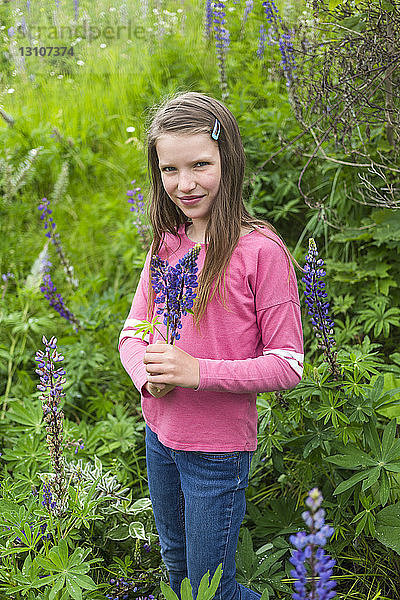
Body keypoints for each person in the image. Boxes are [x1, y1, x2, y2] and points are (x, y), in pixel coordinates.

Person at [119, 91, 304, 600]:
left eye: (201, 164)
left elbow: (287, 366)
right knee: (177, 569)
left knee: (211, 588)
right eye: (169, 170)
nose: (185, 184)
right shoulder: (167, 241)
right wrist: (147, 373)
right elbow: (133, 330)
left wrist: (196, 371)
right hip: (161, 435)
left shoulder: (261, 251)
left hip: (217, 451)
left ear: (229, 159)